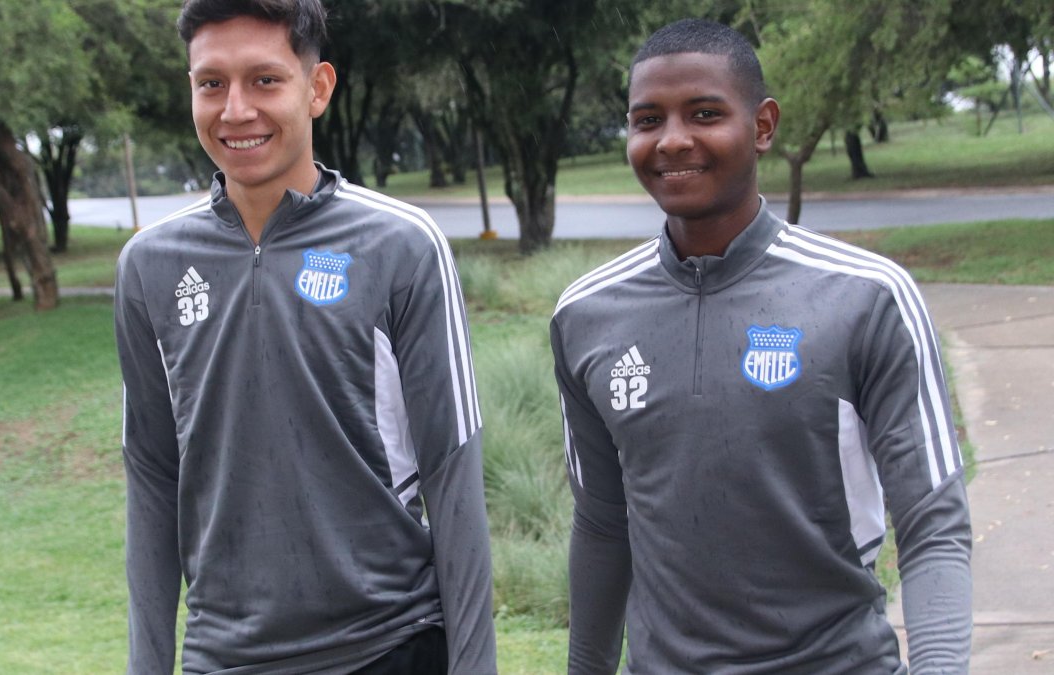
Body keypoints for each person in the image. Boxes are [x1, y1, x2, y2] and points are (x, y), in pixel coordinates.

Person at [550, 18, 972, 674]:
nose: (673, 140)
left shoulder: (866, 296)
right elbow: (604, 525)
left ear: (763, 125)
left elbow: (933, 524)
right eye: (647, 119)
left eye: (705, 113)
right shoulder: (586, 315)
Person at [113, 1, 496, 673]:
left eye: (264, 80)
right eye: (211, 83)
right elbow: (151, 477)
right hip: (224, 656)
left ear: (316, 88)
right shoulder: (150, 264)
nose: (235, 109)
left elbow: (451, 472)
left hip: (388, 645)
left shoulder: (401, 244)